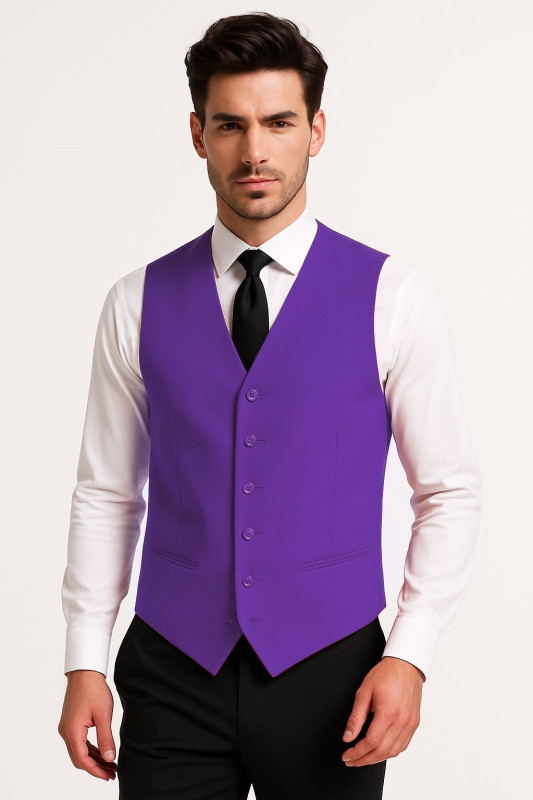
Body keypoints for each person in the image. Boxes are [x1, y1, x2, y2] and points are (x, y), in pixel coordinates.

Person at [58, 11, 481, 800]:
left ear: (315, 131)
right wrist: (85, 659)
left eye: (278, 122)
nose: (254, 151)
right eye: (230, 125)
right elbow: (107, 492)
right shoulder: (136, 301)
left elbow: (448, 491)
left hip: (333, 675)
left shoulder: (393, 296)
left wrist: (409, 653)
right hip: (173, 669)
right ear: (198, 135)